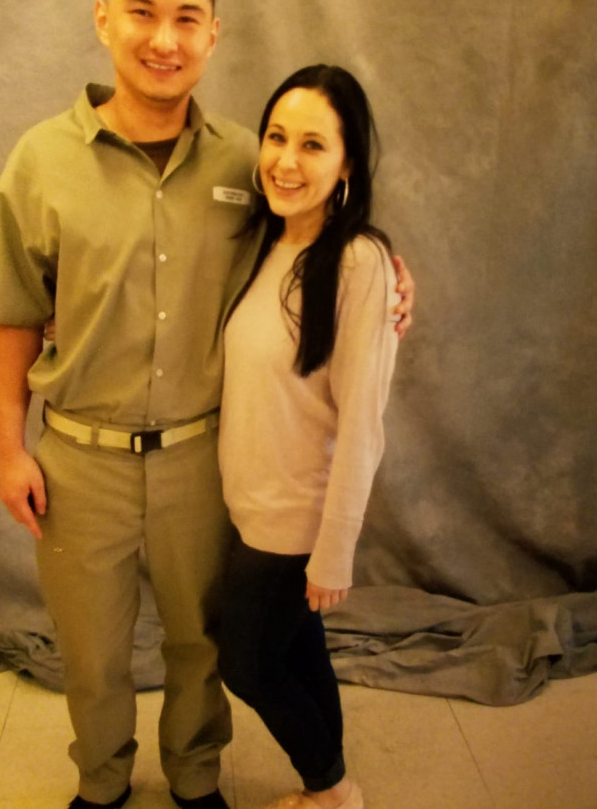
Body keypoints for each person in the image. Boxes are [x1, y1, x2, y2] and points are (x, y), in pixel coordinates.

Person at [0, 0, 414, 809]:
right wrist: (11, 450)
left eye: (187, 18)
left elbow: (319, 241)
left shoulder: (249, 159)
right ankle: (102, 782)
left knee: (202, 644)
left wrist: (388, 275)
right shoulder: (41, 160)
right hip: (78, 460)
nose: (164, 39)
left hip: (203, 459)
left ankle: (198, 780)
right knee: (91, 652)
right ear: (103, 19)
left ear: (213, 34)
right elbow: (11, 313)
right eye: (142, 13)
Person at [218, 65, 400, 809]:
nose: (286, 161)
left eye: (313, 145)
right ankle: (328, 787)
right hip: (250, 505)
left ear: (348, 164)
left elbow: (362, 424)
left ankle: (333, 788)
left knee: (247, 663)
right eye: (276, 137)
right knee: (298, 647)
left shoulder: (359, 263)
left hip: (295, 519)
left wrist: (335, 550)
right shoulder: (266, 243)